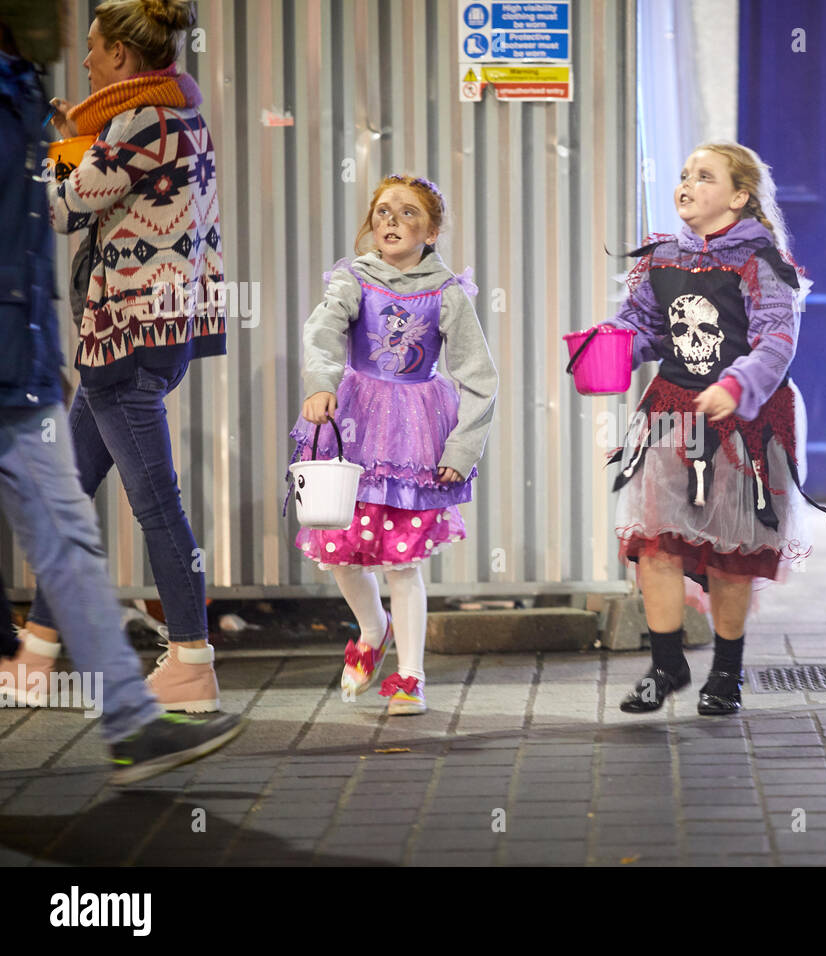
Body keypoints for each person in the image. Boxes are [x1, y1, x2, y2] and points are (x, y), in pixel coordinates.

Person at [0, 0, 243, 784]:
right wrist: (77, 138)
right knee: (68, 491)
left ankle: (193, 659)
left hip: (127, 336)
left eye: (97, 51)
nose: (87, 62)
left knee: (156, 500)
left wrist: (56, 145)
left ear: (123, 58)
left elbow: (64, 207)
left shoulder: (141, 121)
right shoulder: (176, 114)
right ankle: (36, 654)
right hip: (152, 332)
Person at [598, 141, 826, 716]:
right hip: (672, 409)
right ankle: (666, 664)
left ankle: (726, 672)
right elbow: (646, 328)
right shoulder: (661, 257)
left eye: (704, 176)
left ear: (739, 196)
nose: (687, 184)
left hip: (744, 419)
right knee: (657, 539)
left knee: (731, 549)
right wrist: (611, 347)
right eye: (683, 175)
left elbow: (777, 338)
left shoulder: (762, 261)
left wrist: (736, 385)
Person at [291, 174, 497, 716]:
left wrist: (462, 449)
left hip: (413, 436)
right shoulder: (354, 279)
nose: (391, 221)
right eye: (383, 211)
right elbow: (324, 331)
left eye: (408, 214)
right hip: (355, 427)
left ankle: (410, 678)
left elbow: (479, 376)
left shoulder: (447, 292)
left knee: (402, 563)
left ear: (430, 231)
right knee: (340, 549)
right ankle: (371, 626)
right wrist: (320, 383)